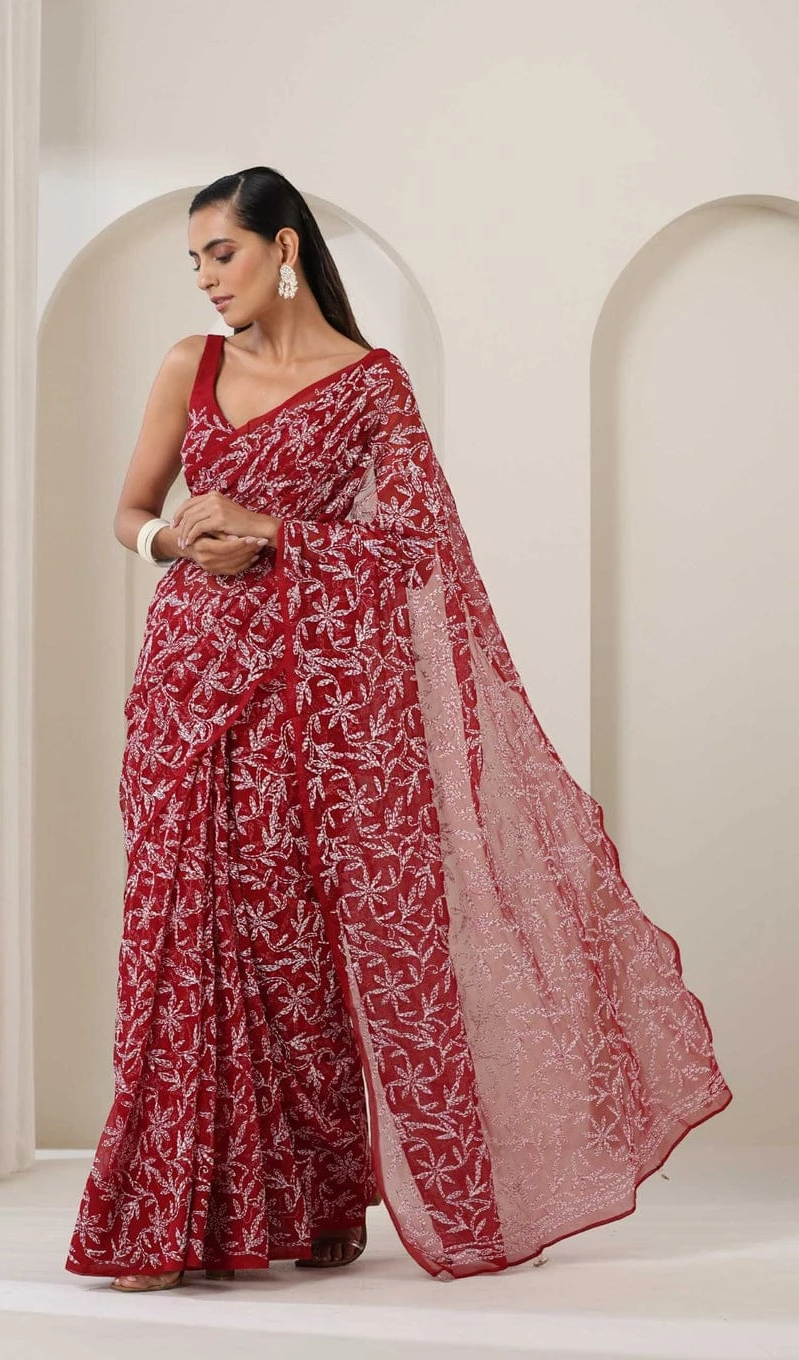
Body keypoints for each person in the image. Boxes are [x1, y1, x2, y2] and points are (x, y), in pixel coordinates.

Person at [65, 166, 732, 1294]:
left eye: (222, 253)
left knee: (302, 945)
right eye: (195, 261)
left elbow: (420, 550)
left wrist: (275, 529)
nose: (206, 279)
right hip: (188, 689)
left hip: (318, 706)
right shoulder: (192, 365)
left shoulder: (372, 388)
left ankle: (323, 1197)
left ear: (283, 248)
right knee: (184, 936)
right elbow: (130, 512)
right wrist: (174, 542)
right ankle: (165, 1217)